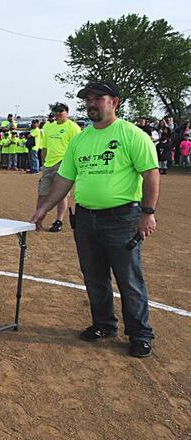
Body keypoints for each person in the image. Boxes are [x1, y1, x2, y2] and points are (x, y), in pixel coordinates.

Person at [30, 81, 159, 358]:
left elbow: (150, 173)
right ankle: (104, 325)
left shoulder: (132, 134)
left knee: (129, 279)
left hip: (122, 218)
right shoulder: (81, 139)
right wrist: (44, 208)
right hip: (86, 219)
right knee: (94, 277)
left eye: (98, 98)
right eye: (88, 99)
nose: (91, 103)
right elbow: (65, 178)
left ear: (114, 101)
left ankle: (140, 334)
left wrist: (148, 213)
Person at [36, 103, 81, 232]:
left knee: (61, 194)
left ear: (67, 112)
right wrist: (43, 163)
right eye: (55, 112)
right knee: (42, 193)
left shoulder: (73, 128)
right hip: (49, 164)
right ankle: (38, 219)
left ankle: (59, 220)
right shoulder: (48, 127)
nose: (57, 114)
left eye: (60, 111)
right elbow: (44, 147)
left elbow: (77, 148)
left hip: (64, 163)